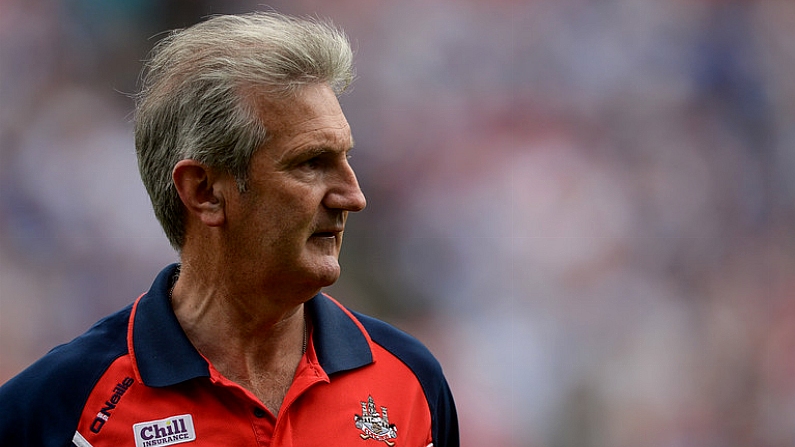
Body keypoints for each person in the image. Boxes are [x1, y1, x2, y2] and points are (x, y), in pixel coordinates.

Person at [0, 12, 459, 447]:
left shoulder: (411, 379)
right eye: (312, 163)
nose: (353, 197)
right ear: (204, 192)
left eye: (346, 159)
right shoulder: (53, 407)